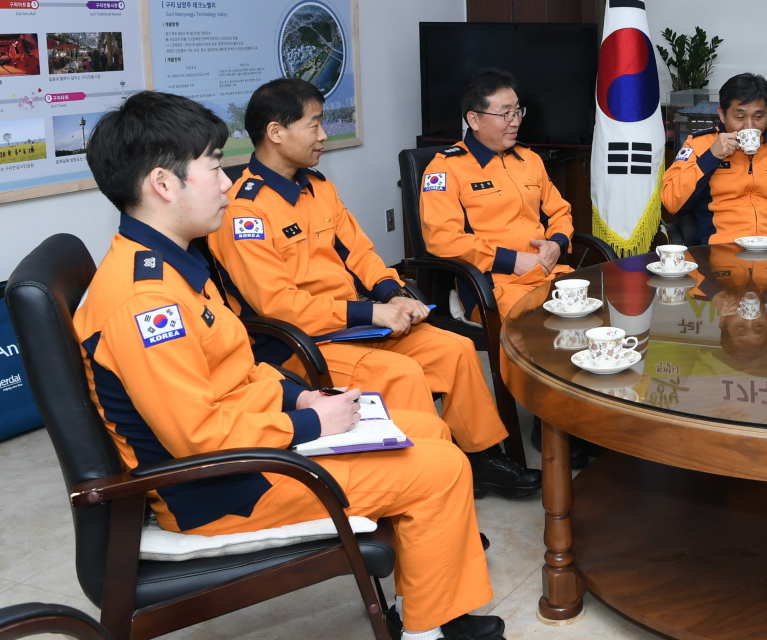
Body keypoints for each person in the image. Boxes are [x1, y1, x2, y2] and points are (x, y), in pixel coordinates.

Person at [74, 91, 507, 640]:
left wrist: (300, 399)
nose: (227, 182)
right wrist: (312, 426)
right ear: (164, 184)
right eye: (211, 166)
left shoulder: (172, 265)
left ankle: (431, 608)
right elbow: (198, 438)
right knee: (436, 469)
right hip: (227, 486)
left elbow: (236, 367)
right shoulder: (144, 301)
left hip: (257, 443)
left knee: (428, 430)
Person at [209, 78, 539, 500]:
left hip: (354, 324)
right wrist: (369, 313)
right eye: (314, 126)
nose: (324, 136)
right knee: (403, 375)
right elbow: (279, 306)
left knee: (452, 350)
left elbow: (360, 252)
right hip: (302, 342)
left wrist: (391, 292)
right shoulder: (244, 212)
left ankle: (481, 460)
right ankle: (426, 488)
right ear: (276, 132)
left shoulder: (318, 188)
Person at [418, 68, 575, 320]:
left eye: (517, 112)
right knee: (537, 328)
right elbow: (442, 238)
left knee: (597, 314)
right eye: (505, 114)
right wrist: (511, 261)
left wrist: (557, 243)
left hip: (547, 272)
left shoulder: (530, 159)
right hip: (492, 285)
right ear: (474, 120)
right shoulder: (445, 169)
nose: (515, 121)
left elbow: (559, 210)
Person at [662, 73, 767, 245]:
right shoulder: (698, 144)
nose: (750, 126)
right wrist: (711, 156)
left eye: (758, 117)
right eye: (740, 117)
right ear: (722, 114)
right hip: (721, 251)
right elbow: (671, 201)